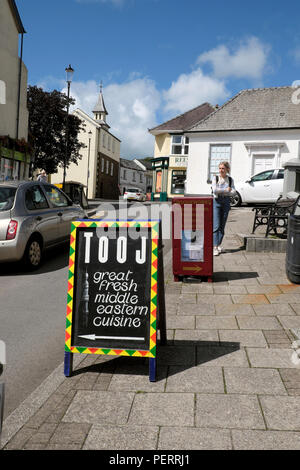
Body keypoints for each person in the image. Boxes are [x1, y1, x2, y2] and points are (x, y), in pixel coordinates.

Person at [211, 161, 236, 256]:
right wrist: (226, 190)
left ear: (227, 169)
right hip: (216, 202)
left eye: (223, 168)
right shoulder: (215, 178)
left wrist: (224, 192)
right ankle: (215, 247)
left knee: (222, 226)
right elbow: (215, 190)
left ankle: (218, 245)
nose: (221, 170)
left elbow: (234, 192)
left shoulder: (230, 179)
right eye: (220, 168)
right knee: (216, 226)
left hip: (226, 202)